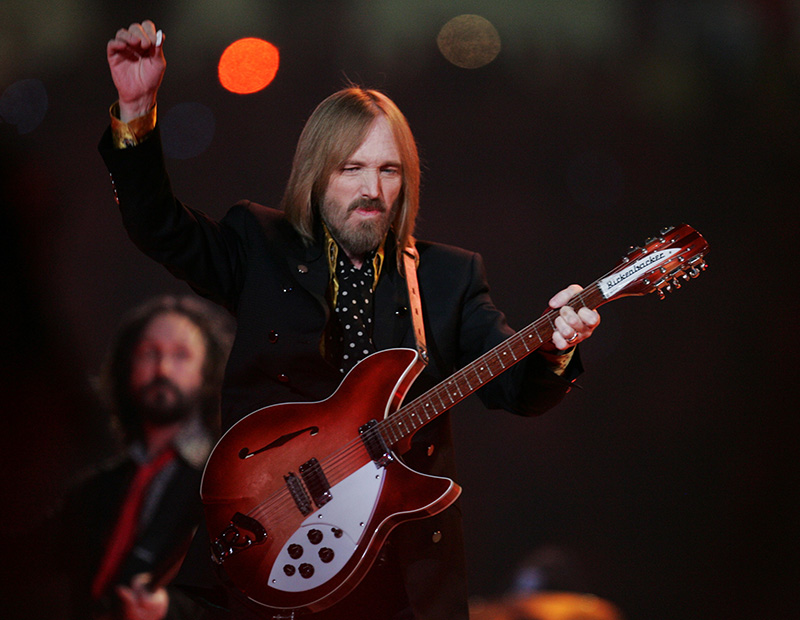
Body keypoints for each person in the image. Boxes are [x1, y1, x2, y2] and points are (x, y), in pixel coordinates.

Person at [99, 20, 601, 620]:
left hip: (400, 579)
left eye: (388, 171)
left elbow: (515, 388)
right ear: (317, 173)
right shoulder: (260, 244)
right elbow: (160, 228)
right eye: (352, 169)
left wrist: (556, 349)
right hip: (273, 548)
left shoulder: (447, 277)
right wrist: (136, 110)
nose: (373, 190)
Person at [56, 295, 233, 620]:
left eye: (181, 355)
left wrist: (169, 611)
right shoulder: (93, 488)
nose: (163, 368)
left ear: (207, 374)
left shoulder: (225, 482)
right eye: (150, 353)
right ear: (128, 366)